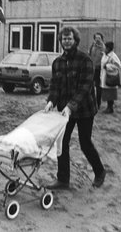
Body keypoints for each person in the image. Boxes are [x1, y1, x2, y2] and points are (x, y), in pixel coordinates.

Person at [45, 26, 106, 189]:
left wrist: (71, 106)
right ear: (61, 41)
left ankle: (100, 172)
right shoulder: (57, 63)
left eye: (69, 39)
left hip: (85, 109)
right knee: (61, 143)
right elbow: (55, 85)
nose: (66, 41)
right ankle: (63, 179)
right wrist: (51, 101)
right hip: (66, 111)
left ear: (75, 40)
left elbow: (85, 87)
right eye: (64, 39)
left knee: (85, 143)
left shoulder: (85, 60)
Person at [100, 41, 121, 114]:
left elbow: (118, 65)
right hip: (105, 76)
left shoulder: (113, 56)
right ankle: (108, 107)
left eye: (105, 47)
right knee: (107, 92)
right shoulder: (105, 55)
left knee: (110, 93)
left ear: (109, 48)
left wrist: (107, 66)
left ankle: (110, 108)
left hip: (110, 77)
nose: (104, 49)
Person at [88, 33, 105, 109]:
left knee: (98, 87)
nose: (97, 39)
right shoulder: (92, 46)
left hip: (99, 69)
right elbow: (89, 55)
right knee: (90, 86)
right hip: (92, 69)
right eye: (96, 38)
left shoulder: (103, 47)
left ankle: (98, 104)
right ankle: (91, 102)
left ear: (101, 39)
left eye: (99, 38)